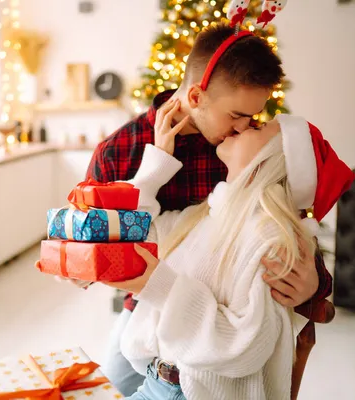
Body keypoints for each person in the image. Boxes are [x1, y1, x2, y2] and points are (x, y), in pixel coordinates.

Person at [83, 24, 332, 396]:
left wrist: (314, 286)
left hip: (210, 349)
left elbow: (287, 228)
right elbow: (99, 244)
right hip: (149, 314)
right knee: (111, 384)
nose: (245, 127)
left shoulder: (251, 153)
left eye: (252, 118)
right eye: (236, 116)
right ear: (196, 96)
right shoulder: (119, 152)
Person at [102, 106, 354, 400]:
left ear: (273, 160)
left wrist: (159, 286)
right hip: (155, 382)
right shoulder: (200, 217)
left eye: (259, 129)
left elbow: (246, 346)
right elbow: (132, 233)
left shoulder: (271, 240)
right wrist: (157, 164)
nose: (244, 126)